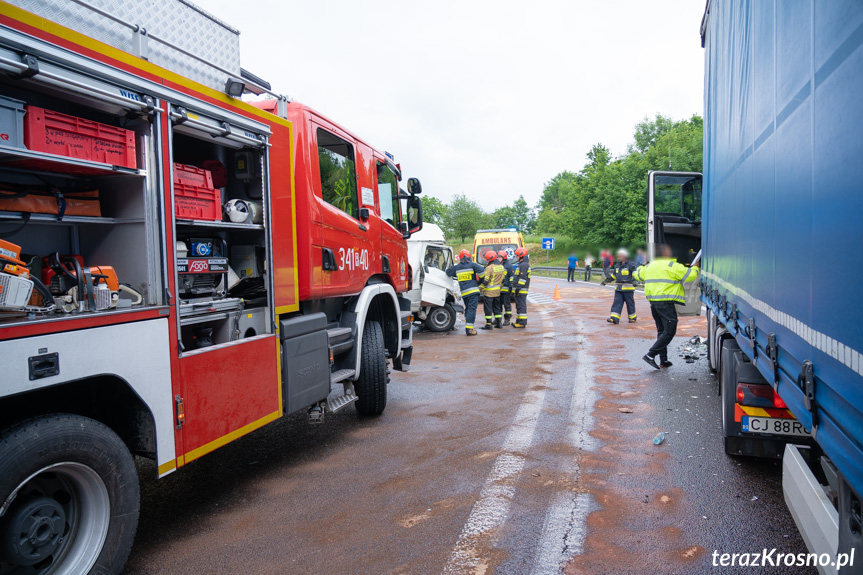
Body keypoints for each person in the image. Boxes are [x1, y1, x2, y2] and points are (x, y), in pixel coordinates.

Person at [634, 244, 699, 369]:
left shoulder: (650, 266)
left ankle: (663, 360)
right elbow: (691, 276)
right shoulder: (672, 266)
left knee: (662, 331)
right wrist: (695, 267)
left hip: (654, 304)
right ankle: (650, 355)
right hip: (665, 304)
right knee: (669, 331)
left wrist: (642, 265)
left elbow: (637, 275)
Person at [446, 249, 486, 336]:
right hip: (473, 292)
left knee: (468, 309)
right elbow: (482, 272)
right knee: (471, 310)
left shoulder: (457, 267)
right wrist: (479, 282)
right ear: (469, 257)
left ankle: (468, 328)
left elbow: (448, 272)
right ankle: (469, 330)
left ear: (460, 258)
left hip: (465, 293)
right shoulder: (473, 265)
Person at [601, 248, 638, 324]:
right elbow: (614, 275)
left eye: (619, 256)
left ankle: (632, 317)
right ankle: (614, 318)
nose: (618, 257)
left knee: (630, 304)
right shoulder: (618, 265)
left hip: (628, 288)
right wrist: (606, 281)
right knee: (617, 303)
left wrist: (634, 280)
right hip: (619, 288)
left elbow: (635, 273)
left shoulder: (631, 264)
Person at [480, 250, 506, 329]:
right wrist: (499, 288)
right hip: (497, 292)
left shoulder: (489, 268)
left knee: (488, 309)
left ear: (490, 260)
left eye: (487, 259)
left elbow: (485, 281)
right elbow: (503, 280)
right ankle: (499, 323)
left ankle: (489, 324)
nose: (486, 261)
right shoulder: (501, 267)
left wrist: (479, 289)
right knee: (497, 308)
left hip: (489, 293)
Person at [512, 247, 531, 328]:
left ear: (521, 256)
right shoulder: (521, 265)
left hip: (521, 290)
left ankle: (522, 322)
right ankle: (519, 321)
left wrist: (518, 288)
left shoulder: (523, 265)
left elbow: (523, 278)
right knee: (519, 306)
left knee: (521, 306)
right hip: (519, 290)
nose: (516, 257)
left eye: (517, 256)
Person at [497, 249, 515, 326]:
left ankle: (507, 319)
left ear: (503, 257)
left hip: (506, 289)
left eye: (499, 257)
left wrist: (510, 287)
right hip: (498, 290)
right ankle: (499, 319)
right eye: (497, 257)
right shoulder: (498, 265)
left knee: (507, 305)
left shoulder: (508, 266)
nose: (498, 258)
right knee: (498, 305)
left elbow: (512, 277)